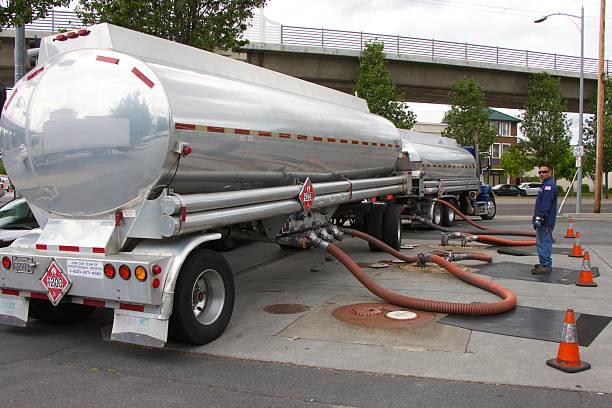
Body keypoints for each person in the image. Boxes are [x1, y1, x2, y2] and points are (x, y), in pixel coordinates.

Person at [532, 164, 557, 274]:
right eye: (540, 172)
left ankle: (546, 265)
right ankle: (543, 263)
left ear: (550, 172)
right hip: (543, 220)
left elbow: (545, 205)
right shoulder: (545, 185)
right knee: (541, 242)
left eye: (544, 171)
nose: (542, 174)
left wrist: (539, 218)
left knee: (543, 243)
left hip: (545, 221)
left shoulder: (548, 186)